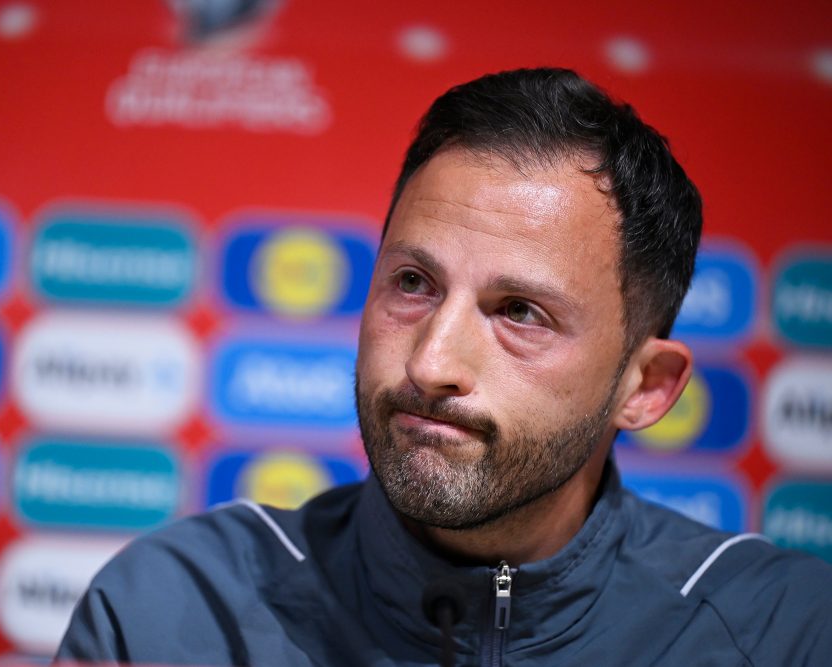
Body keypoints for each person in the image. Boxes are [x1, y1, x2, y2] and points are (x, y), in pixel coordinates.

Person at [56, 68, 832, 666]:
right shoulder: (175, 610)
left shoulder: (782, 631)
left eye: (520, 312)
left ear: (646, 385)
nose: (431, 362)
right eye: (414, 283)